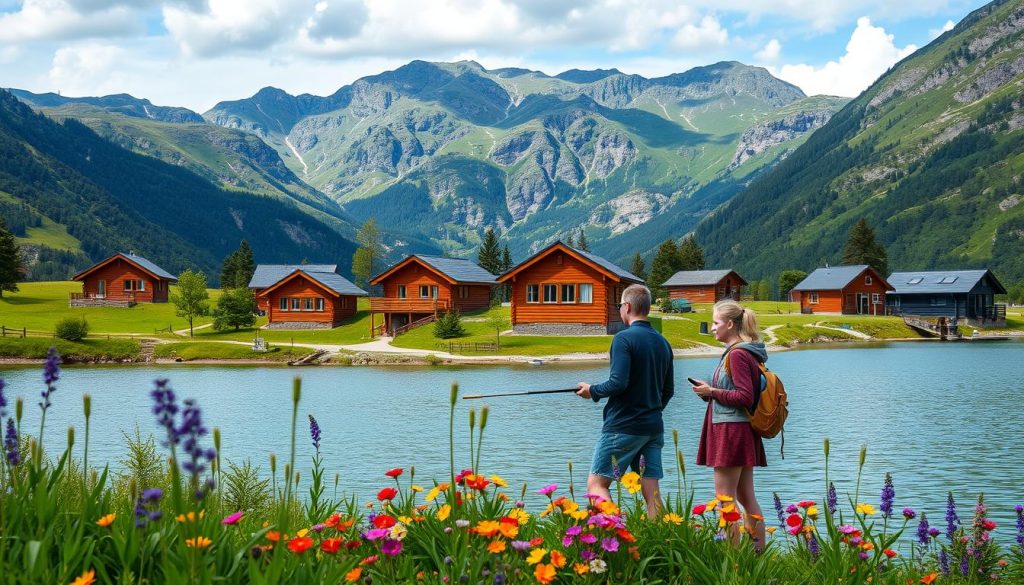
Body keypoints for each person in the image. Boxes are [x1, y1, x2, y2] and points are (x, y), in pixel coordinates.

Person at [576, 284, 674, 518]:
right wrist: (650, 411)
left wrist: (592, 391)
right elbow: (668, 391)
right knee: (652, 492)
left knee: (597, 485)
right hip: (653, 428)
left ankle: (617, 537)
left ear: (627, 307)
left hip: (623, 426)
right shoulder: (663, 342)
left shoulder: (623, 339)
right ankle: (659, 543)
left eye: (620, 306)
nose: (620, 309)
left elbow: (618, 383)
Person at [690, 299, 768, 551]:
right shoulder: (745, 352)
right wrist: (711, 392)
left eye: (715, 323)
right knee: (746, 497)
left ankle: (732, 559)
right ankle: (757, 556)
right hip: (740, 429)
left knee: (725, 500)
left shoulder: (737, 354)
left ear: (731, 324)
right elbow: (741, 394)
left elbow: (744, 396)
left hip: (730, 431)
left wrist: (712, 391)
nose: (712, 328)